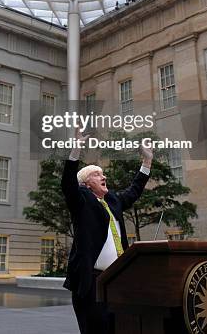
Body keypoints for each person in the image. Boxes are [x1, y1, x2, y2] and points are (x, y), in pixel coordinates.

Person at [61, 132, 153, 334]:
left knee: (120, 328)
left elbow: (135, 189)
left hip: (118, 280)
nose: (103, 176)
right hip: (92, 283)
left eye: (103, 173)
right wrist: (75, 150)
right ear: (86, 184)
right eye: (97, 174)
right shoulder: (82, 201)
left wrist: (147, 161)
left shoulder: (113, 200)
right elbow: (68, 184)